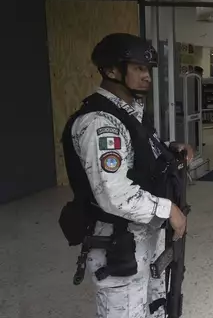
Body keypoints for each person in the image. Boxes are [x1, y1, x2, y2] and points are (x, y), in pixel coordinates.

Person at [60, 33, 193, 318]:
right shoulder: (100, 122)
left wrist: (170, 149)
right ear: (111, 70)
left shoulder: (130, 113)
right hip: (119, 241)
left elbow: (135, 153)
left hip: (146, 232)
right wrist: (168, 209)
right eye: (138, 68)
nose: (147, 77)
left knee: (156, 305)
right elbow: (114, 195)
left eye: (148, 70)